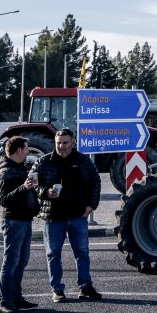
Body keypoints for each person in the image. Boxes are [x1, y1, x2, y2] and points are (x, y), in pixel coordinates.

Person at [34, 128, 103, 302]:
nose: (61, 146)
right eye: (58, 143)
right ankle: (57, 289)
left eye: (65, 143)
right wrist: (45, 192)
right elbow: (33, 184)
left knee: (82, 252)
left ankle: (85, 287)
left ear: (73, 142)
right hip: (53, 217)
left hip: (78, 216)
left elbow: (96, 181)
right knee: (53, 254)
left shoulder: (83, 161)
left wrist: (91, 205)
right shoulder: (43, 162)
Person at [0, 136, 40, 313]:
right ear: (19, 150)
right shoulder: (5, 172)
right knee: (11, 262)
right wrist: (24, 187)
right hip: (13, 221)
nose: (28, 151)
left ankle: (16, 297)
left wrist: (31, 187)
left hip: (25, 219)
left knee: (21, 261)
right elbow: (4, 200)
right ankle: (4, 302)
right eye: (27, 148)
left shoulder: (20, 168)